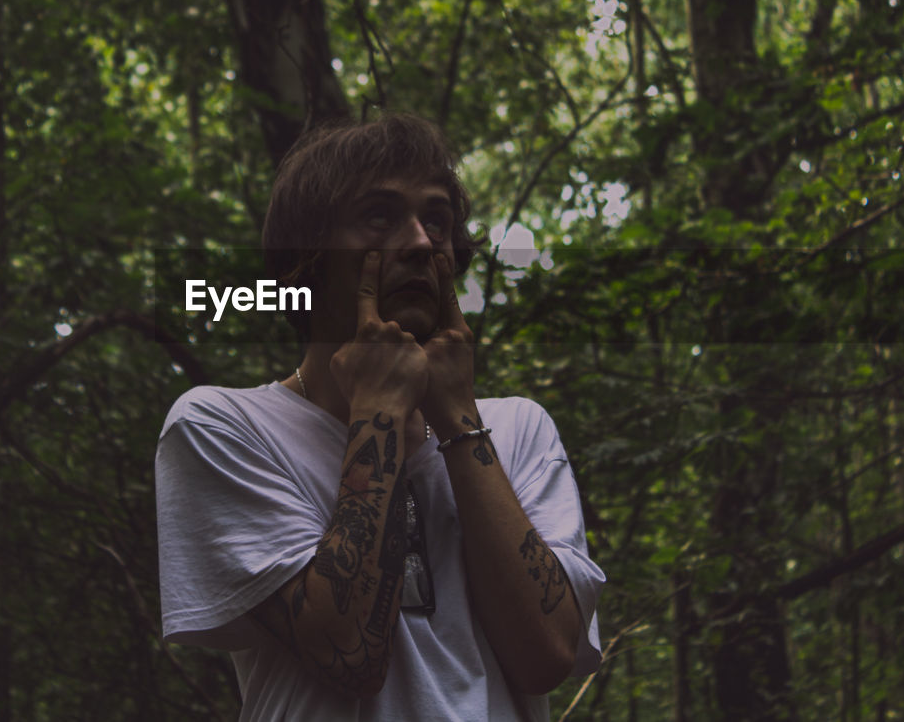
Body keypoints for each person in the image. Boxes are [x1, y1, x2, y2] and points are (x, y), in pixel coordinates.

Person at [156, 114, 603, 720]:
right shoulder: (222, 426)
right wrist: (380, 411)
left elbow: (547, 657)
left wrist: (456, 420)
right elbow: (349, 653)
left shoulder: (519, 430)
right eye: (380, 216)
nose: (421, 243)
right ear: (305, 260)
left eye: (437, 221)